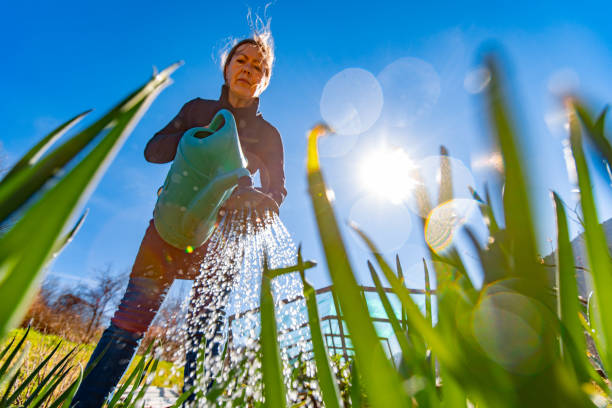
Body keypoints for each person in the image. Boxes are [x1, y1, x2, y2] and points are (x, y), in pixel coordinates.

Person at [71, 31, 286, 407]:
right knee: (129, 323)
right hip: (169, 226)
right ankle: (86, 403)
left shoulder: (268, 136)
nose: (249, 70)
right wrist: (191, 136)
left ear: (265, 82)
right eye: (242, 61)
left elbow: (276, 191)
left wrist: (261, 203)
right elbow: (153, 151)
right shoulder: (198, 109)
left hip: (223, 240)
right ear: (227, 67)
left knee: (205, 333)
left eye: (259, 68)